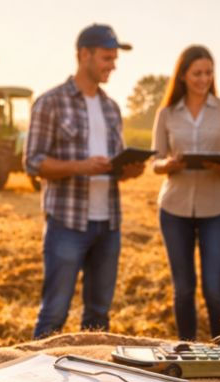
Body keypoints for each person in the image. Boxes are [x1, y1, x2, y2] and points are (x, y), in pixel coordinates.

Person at [25, 24, 145, 339]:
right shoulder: (50, 102)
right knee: (54, 314)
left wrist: (129, 169)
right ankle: (38, 367)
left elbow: (113, 165)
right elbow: (33, 162)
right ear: (84, 55)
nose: (113, 65)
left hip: (108, 225)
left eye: (115, 58)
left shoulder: (111, 108)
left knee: (98, 316)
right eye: (107, 58)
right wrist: (81, 167)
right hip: (67, 224)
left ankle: (92, 369)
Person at [152, 45, 220, 341]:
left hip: (217, 209)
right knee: (183, 289)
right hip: (174, 209)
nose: (204, 79)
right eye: (197, 73)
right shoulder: (166, 113)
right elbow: (155, 160)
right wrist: (168, 164)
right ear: (183, 75)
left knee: (214, 289)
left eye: (208, 73)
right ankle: (187, 350)